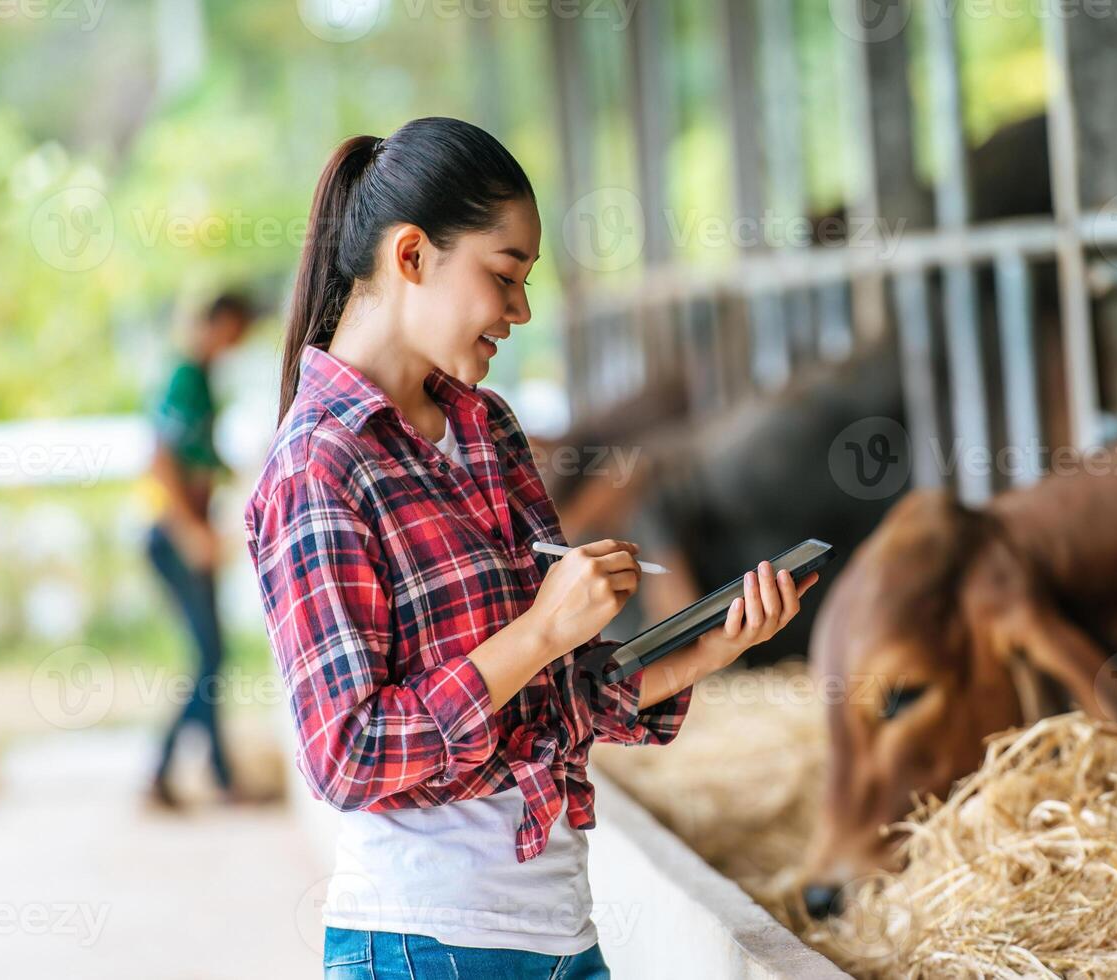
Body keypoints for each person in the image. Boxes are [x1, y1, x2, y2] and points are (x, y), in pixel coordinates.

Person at [243, 117, 818, 980]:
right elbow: (349, 754)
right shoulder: (318, 467)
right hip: (425, 945)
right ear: (410, 257)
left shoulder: (486, 429)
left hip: (558, 934)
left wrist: (715, 644)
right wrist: (542, 630)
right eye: (504, 276)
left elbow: (557, 699)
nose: (521, 310)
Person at [144, 291, 254, 809]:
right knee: (210, 657)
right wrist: (192, 533)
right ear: (218, 323)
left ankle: (215, 774)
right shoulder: (186, 377)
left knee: (212, 657)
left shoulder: (206, 382)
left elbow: (204, 458)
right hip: (174, 539)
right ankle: (170, 771)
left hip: (194, 537)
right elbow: (161, 462)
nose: (237, 342)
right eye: (235, 331)